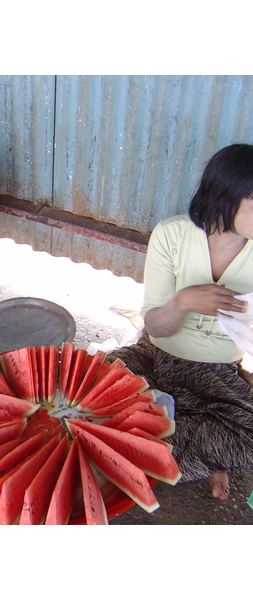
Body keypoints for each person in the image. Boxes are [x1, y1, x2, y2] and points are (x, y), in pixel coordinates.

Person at [108, 143, 253, 501]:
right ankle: (187, 446)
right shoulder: (171, 235)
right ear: (227, 197)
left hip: (217, 372)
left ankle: (153, 441)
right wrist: (184, 301)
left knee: (249, 438)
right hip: (157, 354)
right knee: (92, 383)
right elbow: (157, 328)